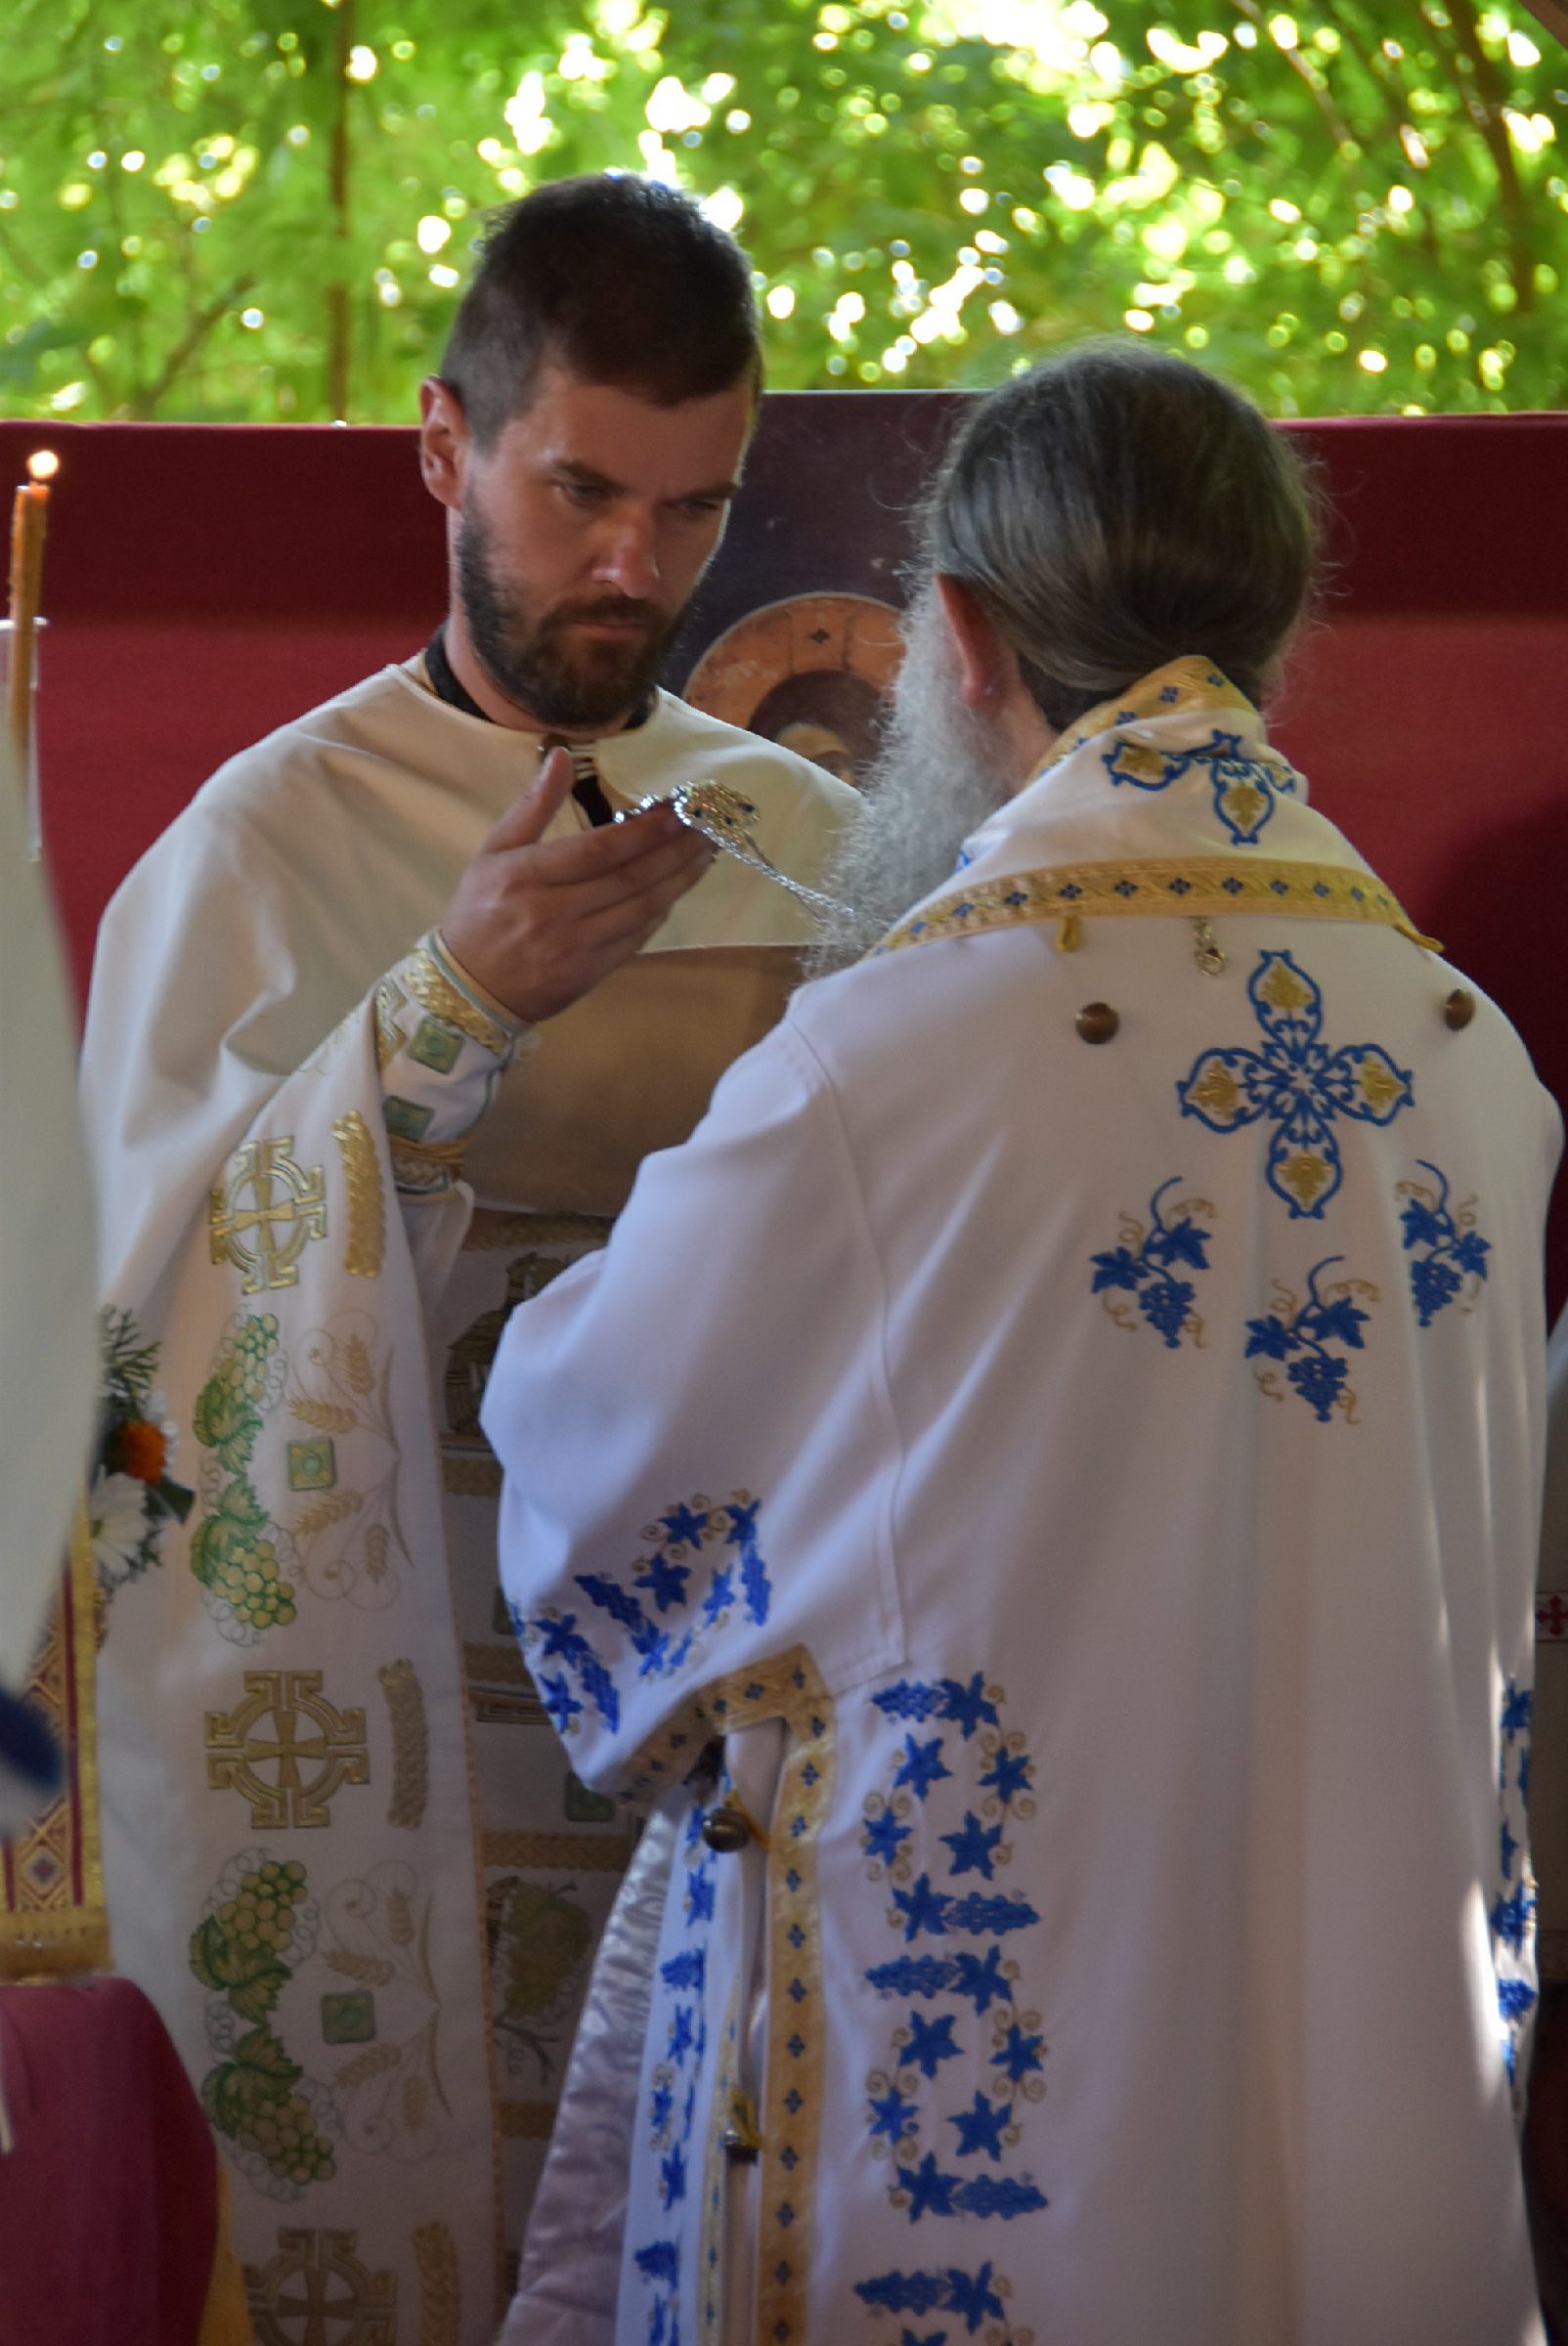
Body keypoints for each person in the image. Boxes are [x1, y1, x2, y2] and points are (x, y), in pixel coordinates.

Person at [483, 342, 1558, 2345]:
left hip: (994, 2080)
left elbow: (591, 1455)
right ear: (1268, 632)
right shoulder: (1469, 1057)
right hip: (1368, 2062)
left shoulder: (888, 1058)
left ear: (962, 638)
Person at [78, 172, 853, 2333]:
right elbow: (128, 1366)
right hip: (398, 1740)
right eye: (580, 492)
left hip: (703, 1745)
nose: (634, 568)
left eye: (692, 510)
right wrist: (442, 1017)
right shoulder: (263, 848)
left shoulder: (805, 847)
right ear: (445, 448)